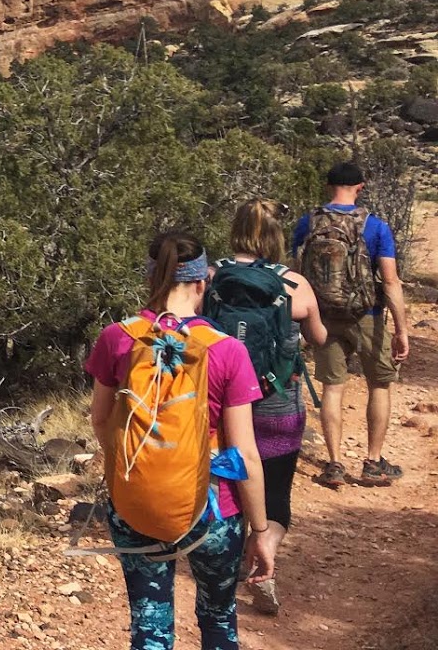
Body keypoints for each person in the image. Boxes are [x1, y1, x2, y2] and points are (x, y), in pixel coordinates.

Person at [87, 231, 273, 650]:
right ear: (202, 282)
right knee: (218, 618)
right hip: (213, 509)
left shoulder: (117, 338)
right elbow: (244, 453)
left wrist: (139, 471)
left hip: (136, 504)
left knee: (150, 627)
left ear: (152, 279)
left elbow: (101, 420)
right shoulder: (226, 350)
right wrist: (260, 530)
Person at [219, 200, 328, 616]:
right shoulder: (294, 284)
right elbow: (318, 337)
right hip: (278, 402)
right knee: (276, 490)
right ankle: (265, 547)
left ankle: (227, 570)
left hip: (225, 405)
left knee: (232, 486)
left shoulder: (213, 279)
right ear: (276, 236)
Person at [291, 161, 412, 488]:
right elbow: (390, 281)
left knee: (333, 387)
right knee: (379, 385)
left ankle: (334, 464)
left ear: (329, 186)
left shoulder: (307, 223)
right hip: (367, 317)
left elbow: (294, 272)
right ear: (360, 186)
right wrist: (401, 330)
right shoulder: (375, 227)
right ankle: (372, 462)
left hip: (323, 317)